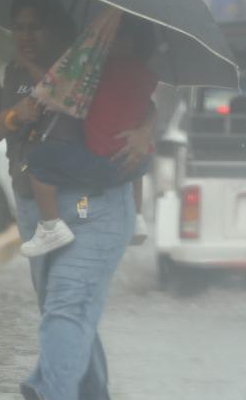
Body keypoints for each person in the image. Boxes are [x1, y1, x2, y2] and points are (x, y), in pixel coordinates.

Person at [0, 0, 153, 400]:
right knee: (64, 309)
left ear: (57, 28)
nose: (25, 36)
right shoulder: (7, 76)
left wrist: (146, 134)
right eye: (19, 27)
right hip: (36, 207)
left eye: (36, 26)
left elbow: (142, 106)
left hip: (96, 204)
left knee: (68, 304)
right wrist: (13, 116)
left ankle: (54, 399)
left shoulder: (91, 65)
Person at [21, 14, 160, 258]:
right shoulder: (148, 76)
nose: (105, 40)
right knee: (132, 148)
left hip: (99, 163)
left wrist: (25, 62)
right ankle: (137, 217)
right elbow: (147, 107)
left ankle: (51, 226)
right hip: (137, 163)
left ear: (129, 41)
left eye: (113, 35)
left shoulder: (101, 70)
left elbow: (53, 88)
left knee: (38, 160)